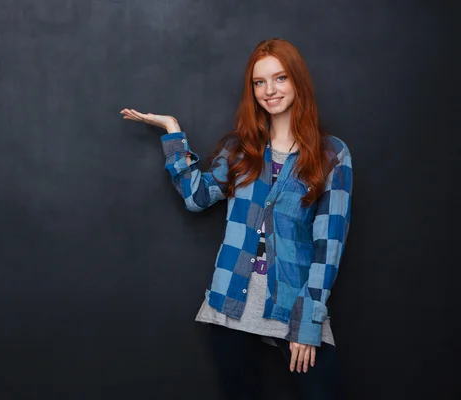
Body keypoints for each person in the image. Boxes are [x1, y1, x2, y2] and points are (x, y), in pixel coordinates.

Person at [120, 38, 352, 399]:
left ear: (297, 82)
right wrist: (172, 131)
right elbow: (197, 198)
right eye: (260, 82)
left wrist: (307, 324)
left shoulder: (331, 154)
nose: (270, 91)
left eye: (280, 78)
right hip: (230, 302)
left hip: (293, 305)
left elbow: (329, 246)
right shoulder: (240, 149)